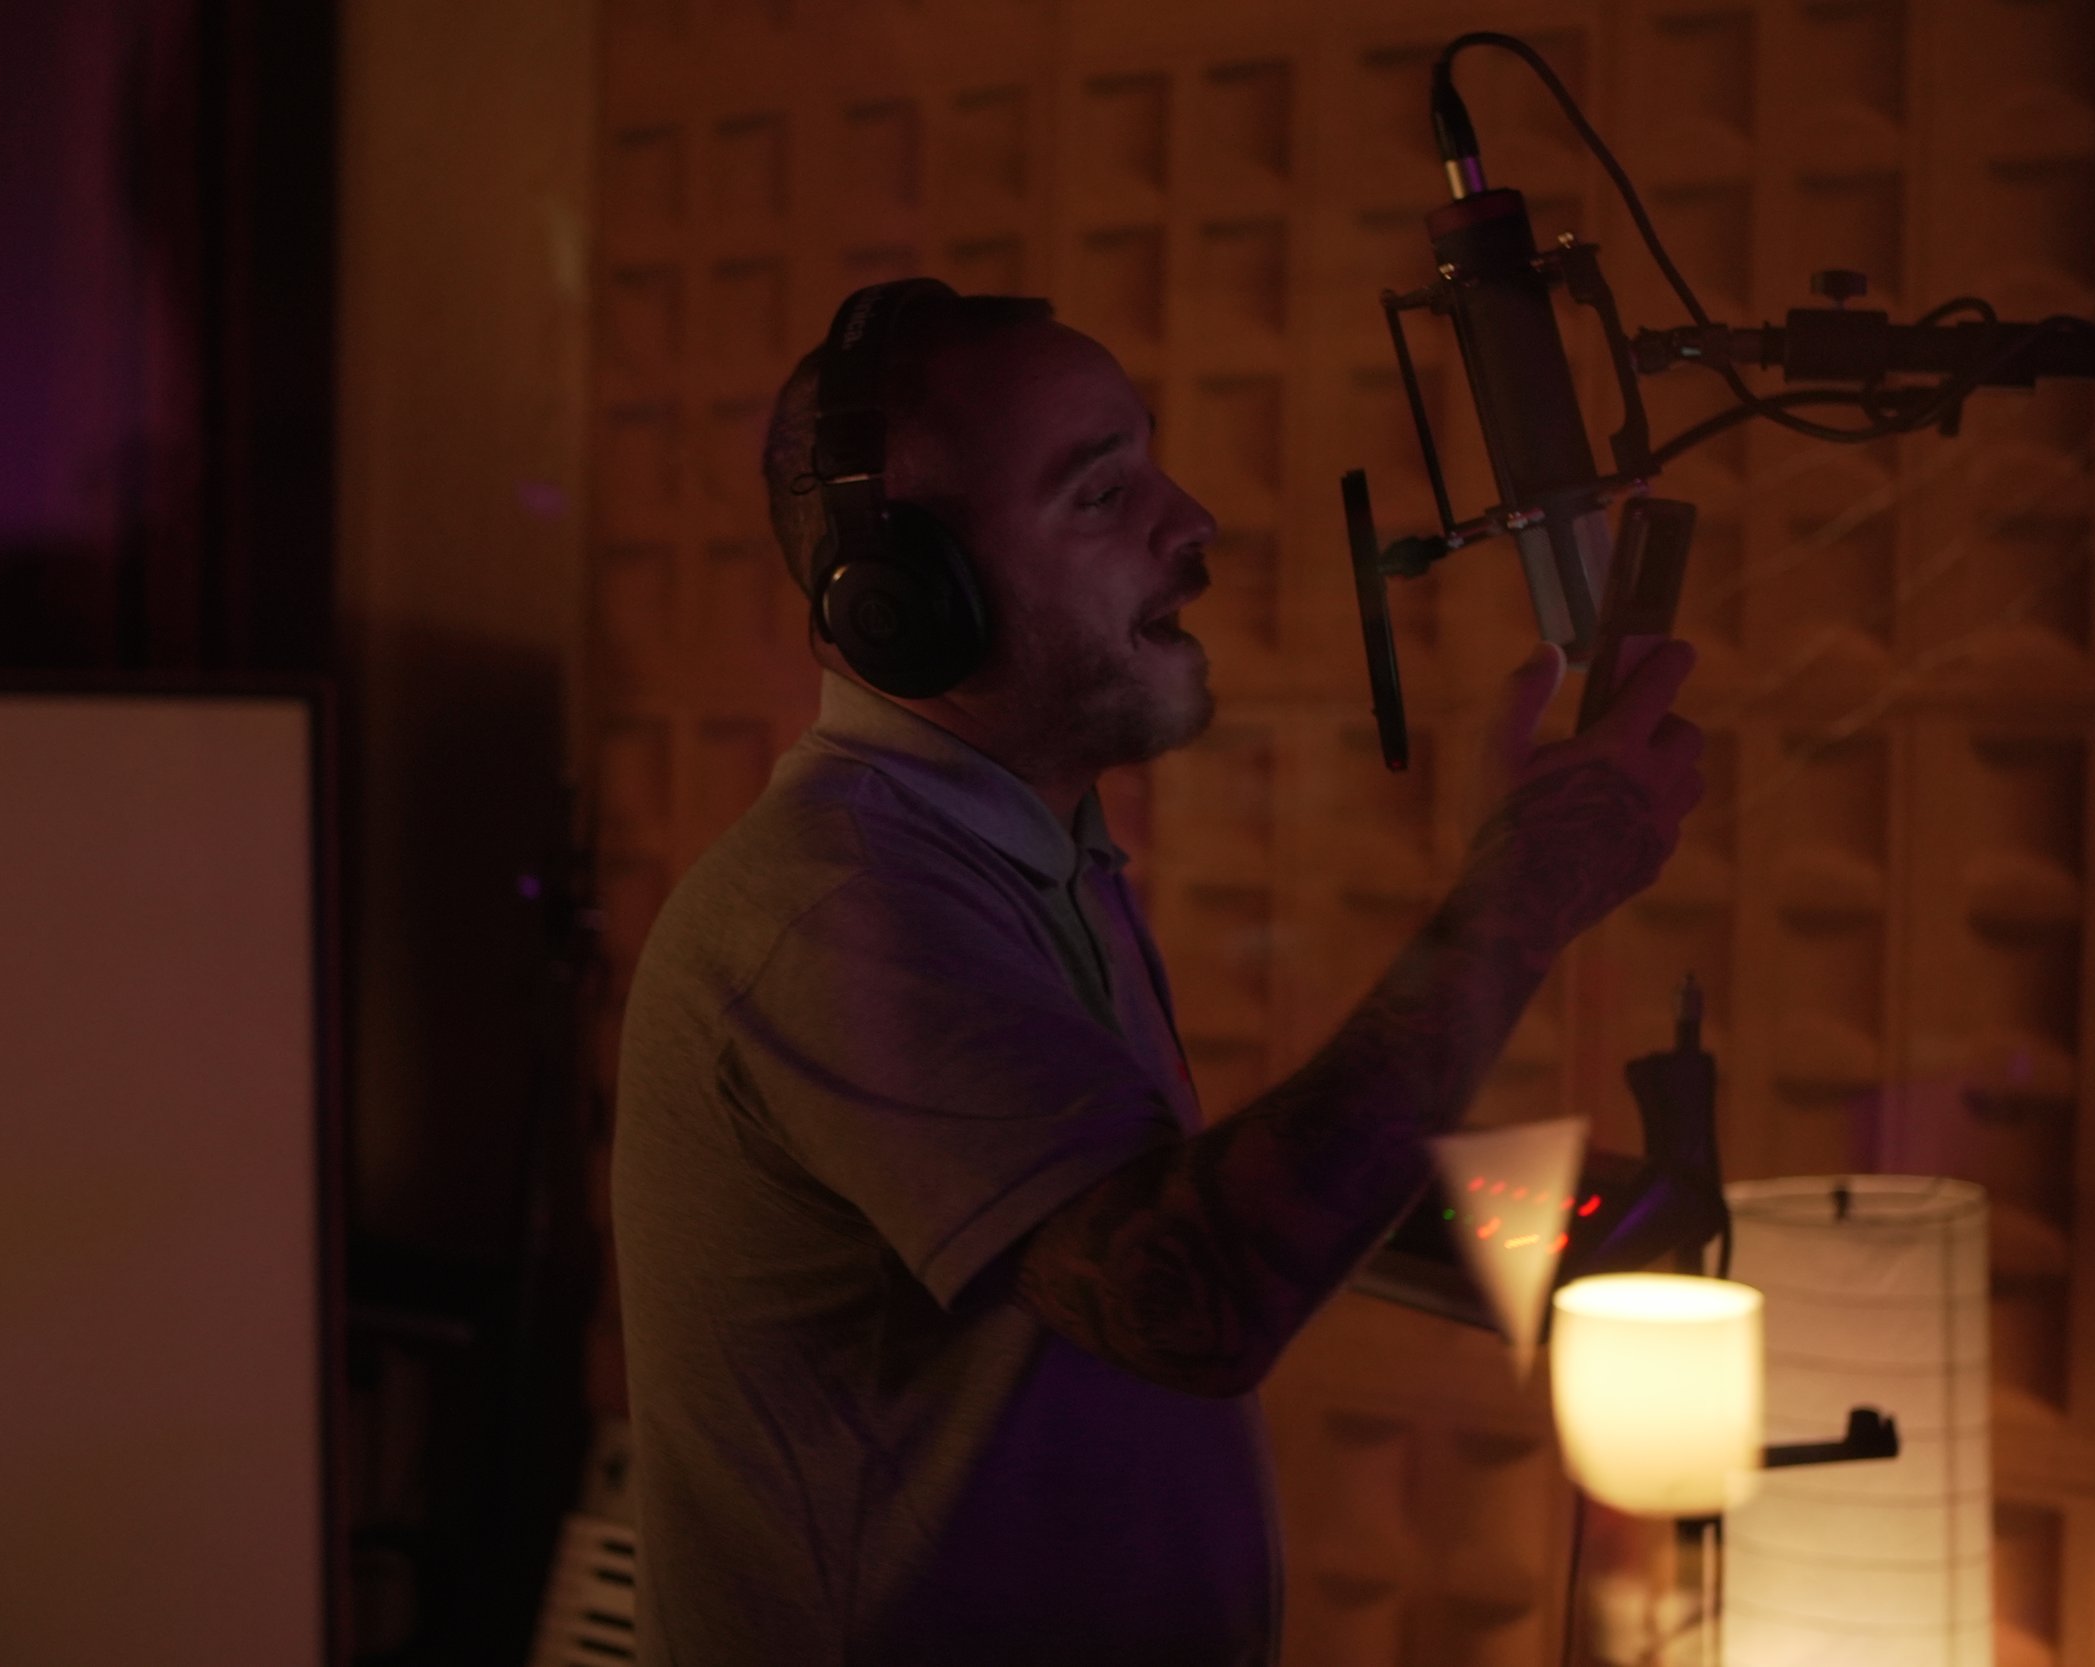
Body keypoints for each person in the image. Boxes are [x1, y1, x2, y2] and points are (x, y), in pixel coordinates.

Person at [610, 281, 1704, 1666]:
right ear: (906, 605)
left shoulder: (1034, 858)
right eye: (1098, 493)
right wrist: (1522, 892)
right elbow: (1191, 1298)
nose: (1192, 526)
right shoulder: (843, 906)